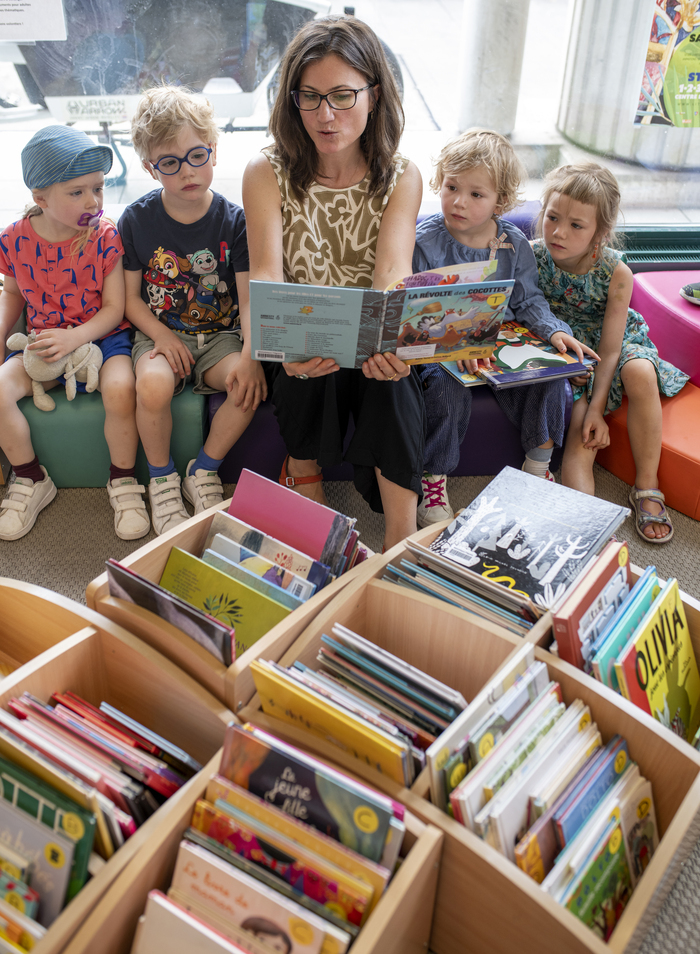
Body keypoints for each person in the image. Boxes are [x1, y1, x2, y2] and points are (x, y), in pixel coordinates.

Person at [242, 14, 424, 551]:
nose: (325, 115)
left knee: (392, 376)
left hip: (367, 336)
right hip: (302, 335)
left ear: (373, 94)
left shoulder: (400, 174)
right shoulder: (265, 170)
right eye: (310, 96)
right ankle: (304, 472)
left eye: (342, 96)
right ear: (290, 99)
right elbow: (267, 275)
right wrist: (281, 347)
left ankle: (400, 534)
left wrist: (390, 338)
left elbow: (393, 273)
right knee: (304, 363)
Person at [413, 129, 596, 527]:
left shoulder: (514, 244)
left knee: (551, 375)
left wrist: (554, 333)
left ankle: (538, 466)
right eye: (451, 186)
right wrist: (454, 345)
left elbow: (529, 301)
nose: (458, 201)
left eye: (476, 194)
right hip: (443, 348)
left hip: (501, 346)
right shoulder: (424, 241)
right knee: (446, 387)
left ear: (502, 201)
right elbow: (414, 312)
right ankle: (433, 478)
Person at [120, 85, 265, 535]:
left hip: (220, 337)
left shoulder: (234, 221)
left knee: (248, 385)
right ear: (151, 168)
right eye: (170, 162)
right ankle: (162, 480)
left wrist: (250, 355)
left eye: (196, 155)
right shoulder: (137, 219)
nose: (187, 171)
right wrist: (161, 337)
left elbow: (246, 300)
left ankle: (203, 469)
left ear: (214, 152)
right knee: (154, 387)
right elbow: (128, 298)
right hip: (160, 332)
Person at [0, 125, 148, 542]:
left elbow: (114, 309)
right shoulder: (13, 239)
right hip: (42, 345)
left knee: (122, 389)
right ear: (40, 198)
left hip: (103, 338)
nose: (94, 201)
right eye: (77, 192)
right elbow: (11, 293)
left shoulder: (104, 236)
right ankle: (30, 478)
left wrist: (75, 337)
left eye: (98, 188)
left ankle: (122, 480)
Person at [533, 161, 690, 543]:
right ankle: (582, 534)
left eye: (576, 225)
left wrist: (598, 409)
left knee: (640, 373)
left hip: (614, 344)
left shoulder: (616, 272)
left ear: (600, 233)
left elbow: (612, 343)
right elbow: (526, 318)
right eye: (552, 217)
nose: (558, 232)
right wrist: (565, 367)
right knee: (580, 440)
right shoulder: (533, 256)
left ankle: (647, 484)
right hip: (566, 349)